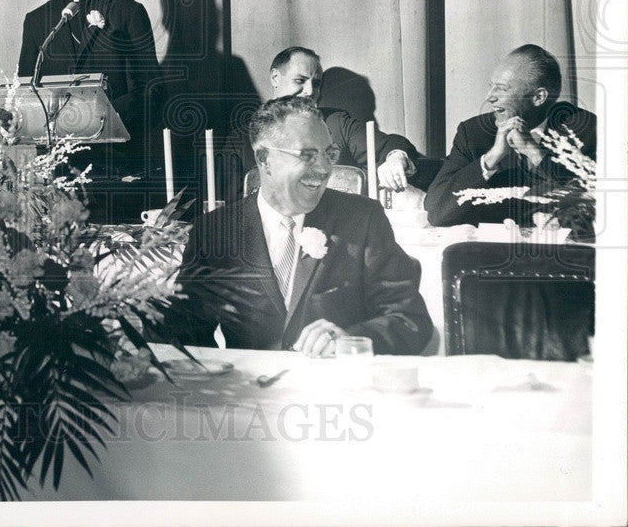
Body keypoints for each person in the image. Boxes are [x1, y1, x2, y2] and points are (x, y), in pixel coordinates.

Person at [164, 95, 432, 355]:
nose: (324, 168)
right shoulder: (215, 231)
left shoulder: (363, 219)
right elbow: (184, 331)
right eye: (307, 155)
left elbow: (409, 319)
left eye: (329, 154)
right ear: (264, 160)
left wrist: (351, 340)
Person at [17, 0, 162, 185]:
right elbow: (27, 91)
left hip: (118, 162)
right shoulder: (37, 21)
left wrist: (96, 121)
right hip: (58, 166)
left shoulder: (127, 12)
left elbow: (151, 90)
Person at [424, 44, 597, 227]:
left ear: (539, 97)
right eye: (491, 87)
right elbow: (436, 212)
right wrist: (491, 158)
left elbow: (599, 209)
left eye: (502, 89)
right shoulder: (474, 133)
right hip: (489, 249)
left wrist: (534, 152)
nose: (490, 97)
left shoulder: (585, 130)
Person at [223, 46, 420, 200]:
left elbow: (395, 145)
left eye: (316, 83)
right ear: (275, 77)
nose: (309, 92)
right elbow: (230, 206)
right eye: (300, 81)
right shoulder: (241, 139)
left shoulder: (337, 123)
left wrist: (396, 158)